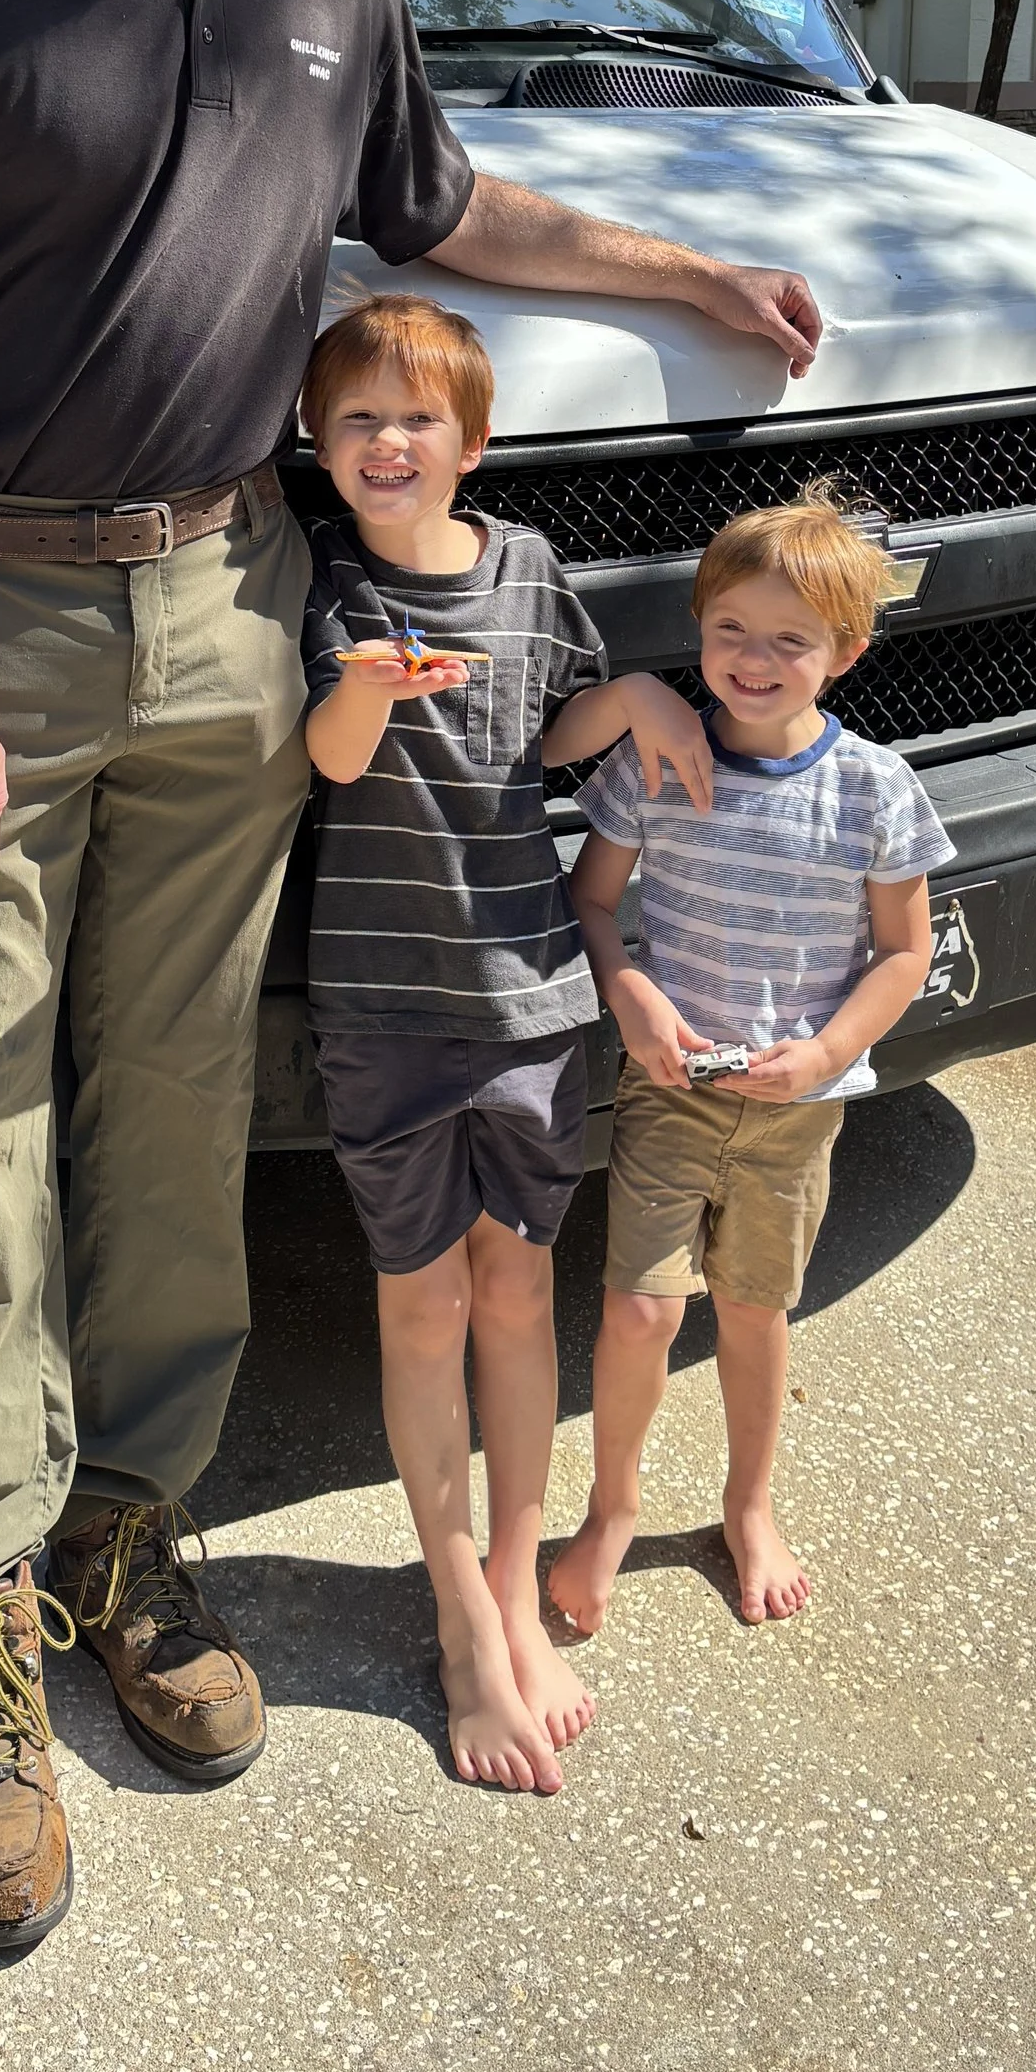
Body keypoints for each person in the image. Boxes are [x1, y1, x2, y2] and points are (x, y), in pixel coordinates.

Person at [0, 0, 823, 1957]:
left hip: (241, 605)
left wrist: (693, 279)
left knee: (162, 1113)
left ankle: (129, 1538)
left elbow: (454, 218)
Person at [299, 294, 711, 1796]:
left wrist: (644, 694)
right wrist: (360, 681)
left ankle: (525, 1582)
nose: (388, 442)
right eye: (357, 421)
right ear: (319, 445)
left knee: (518, 1294)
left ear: (473, 441)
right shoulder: (327, 585)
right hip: (386, 1010)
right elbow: (327, 760)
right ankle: (461, 1610)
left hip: (531, 1002)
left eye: (418, 419)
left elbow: (550, 734)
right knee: (418, 1309)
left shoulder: (529, 568)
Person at [548, 493, 957, 1639]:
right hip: (670, 1089)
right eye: (732, 631)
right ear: (698, 631)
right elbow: (592, 901)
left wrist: (829, 1050)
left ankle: (746, 1507)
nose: (755, 660)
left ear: (845, 651)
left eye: (791, 640)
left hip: (796, 1110)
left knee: (752, 1310)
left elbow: (903, 949)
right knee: (636, 1312)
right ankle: (613, 1508)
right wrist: (629, 994)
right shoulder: (659, 764)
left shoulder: (874, 789)